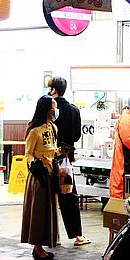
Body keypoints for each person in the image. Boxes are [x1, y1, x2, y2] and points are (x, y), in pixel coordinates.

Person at [47, 76, 89, 246]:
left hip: (49, 159)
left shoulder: (49, 108)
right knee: (69, 196)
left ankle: (50, 236)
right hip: (66, 161)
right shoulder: (74, 110)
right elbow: (77, 135)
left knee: (48, 198)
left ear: (54, 90)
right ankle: (78, 236)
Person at [21, 95, 61, 260]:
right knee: (38, 212)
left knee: (47, 212)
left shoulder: (53, 128)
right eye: (53, 107)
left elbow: (51, 150)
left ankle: (42, 245)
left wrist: (60, 152)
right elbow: (28, 154)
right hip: (39, 177)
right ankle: (37, 248)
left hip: (51, 175)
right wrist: (35, 165)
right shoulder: (34, 131)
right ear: (46, 109)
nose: (55, 110)